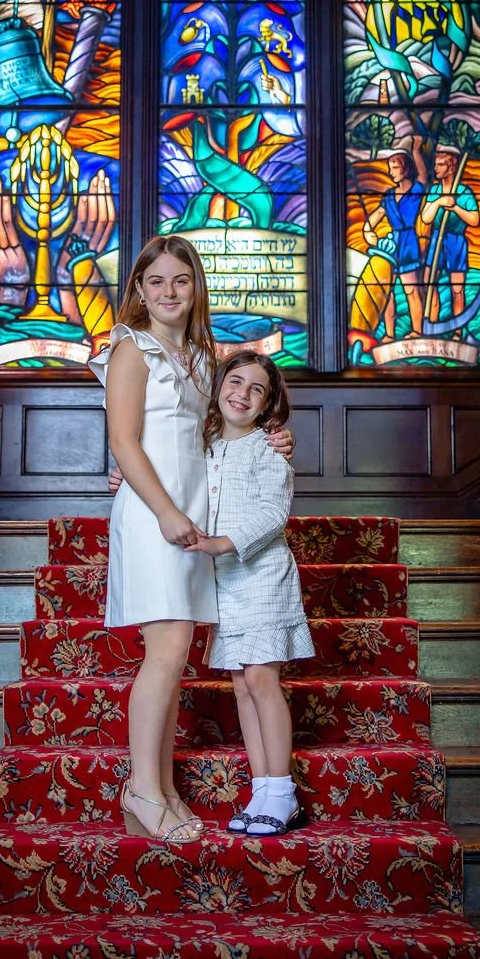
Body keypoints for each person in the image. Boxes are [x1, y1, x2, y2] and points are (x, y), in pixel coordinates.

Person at [89, 237, 293, 844]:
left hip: (195, 517)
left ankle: (163, 790)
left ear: (195, 288)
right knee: (168, 650)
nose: (168, 293)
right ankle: (142, 789)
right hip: (158, 516)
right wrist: (166, 512)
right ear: (139, 290)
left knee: (175, 657)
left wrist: (275, 438)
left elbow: (219, 430)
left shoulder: (205, 359)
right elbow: (124, 441)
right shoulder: (131, 348)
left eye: (180, 281)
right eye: (155, 282)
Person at [187, 350, 314, 837]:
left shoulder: (269, 449)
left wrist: (223, 542)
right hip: (224, 584)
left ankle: (283, 792)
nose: (241, 393)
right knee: (241, 684)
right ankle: (263, 790)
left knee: (262, 680)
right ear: (219, 388)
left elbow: (271, 514)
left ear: (268, 405)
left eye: (255, 389)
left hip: (262, 577)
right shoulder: (203, 444)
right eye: (234, 382)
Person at [362, 149, 427, 338]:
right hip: (390, 247)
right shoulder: (389, 195)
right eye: (390, 168)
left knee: (411, 290)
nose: (391, 172)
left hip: (408, 244)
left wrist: (416, 149)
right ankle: (389, 334)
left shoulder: (415, 191)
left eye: (395, 168)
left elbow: (423, 174)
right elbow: (375, 219)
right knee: (387, 294)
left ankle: (417, 331)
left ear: (406, 169)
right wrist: (368, 232)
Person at [420, 147, 480, 335]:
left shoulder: (464, 192)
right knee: (429, 282)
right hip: (437, 239)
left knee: (457, 289)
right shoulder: (435, 191)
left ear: (452, 167)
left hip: (456, 241)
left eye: (440, 165)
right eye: (435, 164)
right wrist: (439, 202)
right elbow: (426, 218)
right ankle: (431, 324)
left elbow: (475, 220)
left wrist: (455, 208)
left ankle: (458, 332)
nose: (436, 169)